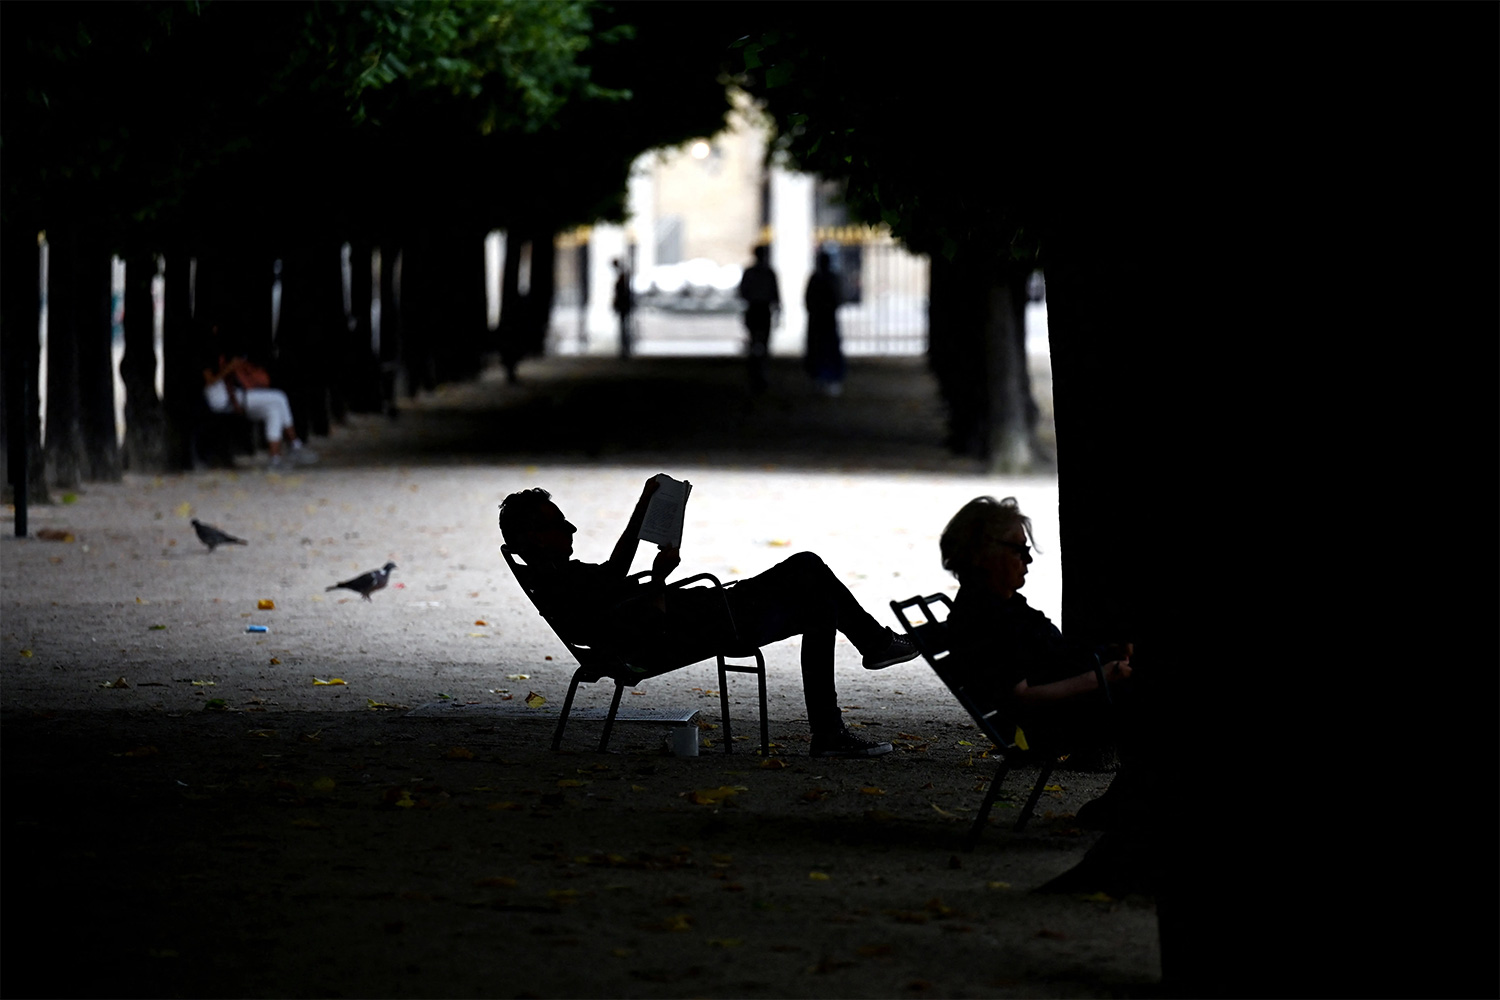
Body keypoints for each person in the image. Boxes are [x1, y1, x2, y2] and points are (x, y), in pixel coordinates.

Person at [499, 477, 920, 757]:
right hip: (709, 624)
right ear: (532, 536)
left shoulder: (558, 578)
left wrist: (645, 505)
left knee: (820, 605)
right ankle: (874, 649)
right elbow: (647, 627)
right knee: (807, 566)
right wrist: (661, 581)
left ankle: (836, 719)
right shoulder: (564, 583)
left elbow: (614, 574)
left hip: (705, 616)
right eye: (559, 525)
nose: (571, 529)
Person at [939, 496, 1141, 819]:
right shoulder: (988, 620)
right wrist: (1104, 675)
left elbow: (1056, 656)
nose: (1028, 560)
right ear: (983, 555)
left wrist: (1109, 654)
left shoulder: (1003, 606)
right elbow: (1021, 697)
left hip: (1080, 701)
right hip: (1059, 720)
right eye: (1019, 550)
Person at [201, 326, 317, 470]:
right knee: (279, 398)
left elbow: (230, 382)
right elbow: (211, 381)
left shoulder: (223, 352)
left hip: (233, 397)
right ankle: (294, 445)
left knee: (273, 410)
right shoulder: (206, 356)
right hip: (219, 400)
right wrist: (229, 369)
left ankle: (276, 459)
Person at [802, 247, 846, 396]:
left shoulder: (817, 278)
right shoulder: (828, 278)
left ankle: (822, 378)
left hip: (820, 318)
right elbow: (838, 298)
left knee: (821, 348)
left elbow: (808, 299)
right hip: (825, 318)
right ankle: (826, 378)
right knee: (826, 348)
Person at [737, 245, 780, 394]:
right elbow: (776, 295)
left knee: (755, 343)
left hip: (755, 309)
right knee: (762, 344)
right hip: (762, 310)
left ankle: (755, 376)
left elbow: (742, 292)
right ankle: (759, 376)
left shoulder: (752, 272)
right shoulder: (768, 273)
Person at [612, 258, 635, 358]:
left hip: (623, 305)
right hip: (624, 305)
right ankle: (625, 348)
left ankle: (625, 349)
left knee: (624, 327)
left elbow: (621, 293)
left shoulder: (622, 277)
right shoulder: (623, 276)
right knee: (624, 326)